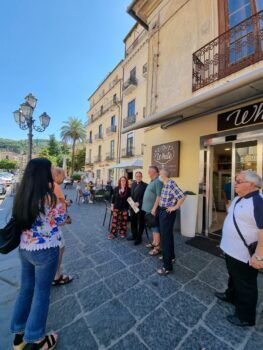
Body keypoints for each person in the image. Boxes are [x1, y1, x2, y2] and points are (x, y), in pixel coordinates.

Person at [11, 158, 66, 350]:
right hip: (45, 249)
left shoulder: (22, 193)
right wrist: (63, 205)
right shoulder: (48, 196)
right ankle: (37, 338)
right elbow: (61, 218)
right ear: (43, 172)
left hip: (25, 248)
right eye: (50, 169)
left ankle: (18, 335)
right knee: (42, 294)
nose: (52, 171)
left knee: (26, 290)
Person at [217, 170, 263, 327]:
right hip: (231, 250)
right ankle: (231, 295)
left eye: (239, 181)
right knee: (233, 276)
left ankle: (245, 316)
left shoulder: (259, 201)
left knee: (246, 284)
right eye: (235, 180)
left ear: (251, 184)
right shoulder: (238, 198)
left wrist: (259, 256)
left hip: (245, 254)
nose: (235, 183)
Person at [157, 168, 186, 275]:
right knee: (168, 236)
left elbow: (182, 196)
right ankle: (170, 257)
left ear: (164, 175)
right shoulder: (166, 184)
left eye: (160, 174)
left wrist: (175, 207)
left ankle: (167, 267)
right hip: (163, 212)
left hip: (167, 213)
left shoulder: (170, 184)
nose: (159, 176)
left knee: (165, 238)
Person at [52, 167, 73, 286]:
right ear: (57, 175)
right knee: (60, 248)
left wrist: (65, 203)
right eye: (63, 175)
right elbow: (56, 209)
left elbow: (59, 203)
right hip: (54, 227)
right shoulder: (55, 186)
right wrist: (66, 219)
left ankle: (54, 274)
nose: (65, 177)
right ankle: (56, 275)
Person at [142, 166, 163, 256]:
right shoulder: (153, 180)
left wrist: (154, 209)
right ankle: (154, 242)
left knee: (155, 228)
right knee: (153, 228)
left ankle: (157, 248)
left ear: (153, 172)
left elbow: (159, 196)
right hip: (148, 210)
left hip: (152, 210)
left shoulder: (158, 181)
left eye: (149, 172)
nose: (148, 173)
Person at [127, 171, 147, 245]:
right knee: (133, 221)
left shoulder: (145, 185)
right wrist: (131, 203)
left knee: (141, 223)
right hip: (133, 207)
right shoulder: (133, 184)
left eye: (139, 176)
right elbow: (131, 195)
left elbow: (146, 197)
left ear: (141, 177)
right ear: (135, 177)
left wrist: (139, 203)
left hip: (141, 208)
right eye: (137, 176)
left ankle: (139, 237)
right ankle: (134, 235)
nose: (138, 177)